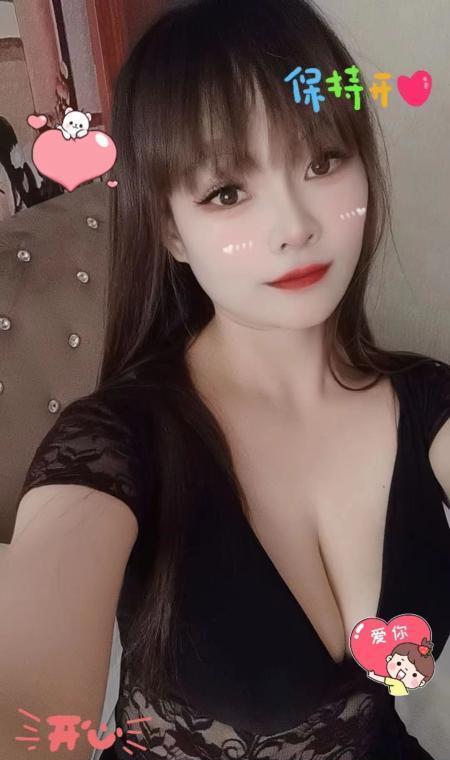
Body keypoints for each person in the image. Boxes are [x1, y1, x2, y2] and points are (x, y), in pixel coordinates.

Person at [1, 1, 449, 758]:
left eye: (322, 161)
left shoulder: (429, 402)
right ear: (171, 230)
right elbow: (26, 702)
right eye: (227, 192)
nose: (295, 225)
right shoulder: (115, 442)